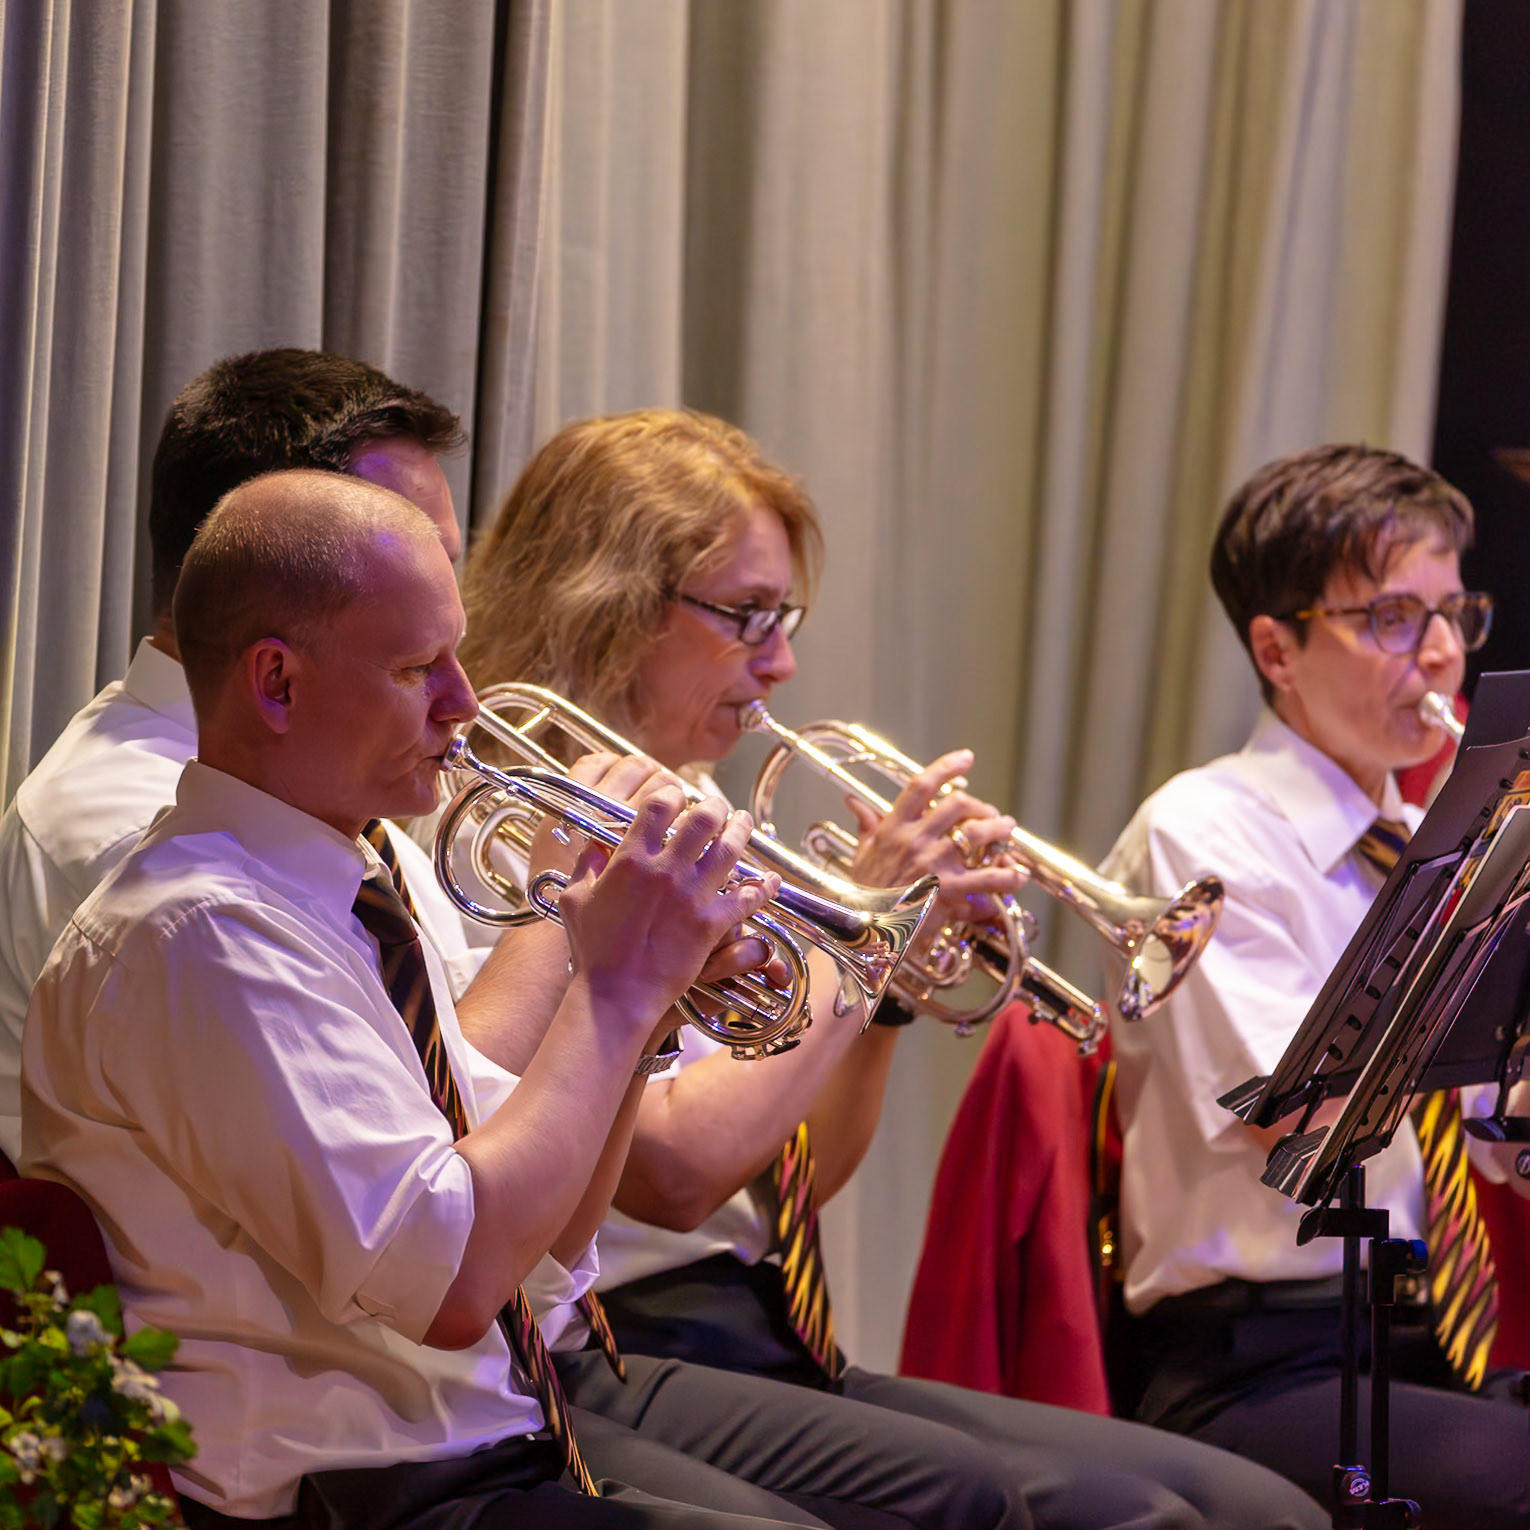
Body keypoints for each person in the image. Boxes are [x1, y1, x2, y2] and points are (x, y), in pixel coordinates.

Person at [454, 405, 1332, 1530]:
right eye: (747, 617)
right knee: (1127, 1519)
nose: (782, 661)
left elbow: (797, 1183)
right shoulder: (530, 827)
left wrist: (884, 1002)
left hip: (767, 1319)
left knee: (1270, 1515)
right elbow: (674, 1177)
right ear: (612, 602)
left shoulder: (707, 811)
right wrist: (863, 949)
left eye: (787, 617)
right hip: (627, 1332)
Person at [20, 467, 882, 1530]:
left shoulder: (347, 884)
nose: (463, 703)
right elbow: (459, 1283)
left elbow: (545, 1245)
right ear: (277, 683)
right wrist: (610, 981)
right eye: (418, 666)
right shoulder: (202, 930)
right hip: (350, 1499)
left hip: (475, 1453)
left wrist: (652, 1011)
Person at [1099, 443, 1529, 1526]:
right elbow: (1298, 1122)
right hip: (1262, 1363)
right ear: (1276, 648)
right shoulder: (1203, 834)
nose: (1437, 657)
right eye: (1391, 618)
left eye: (1452, 615)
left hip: (1425, 1339)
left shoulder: (1424, 845)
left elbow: (1475, 1129)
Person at [0, 348, 466, 1163]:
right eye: (402, 557)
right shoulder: (136, 835)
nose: (463, 692)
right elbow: (410, 1144)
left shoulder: (326, 785)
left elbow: (458, 1044)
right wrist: (589, 970)